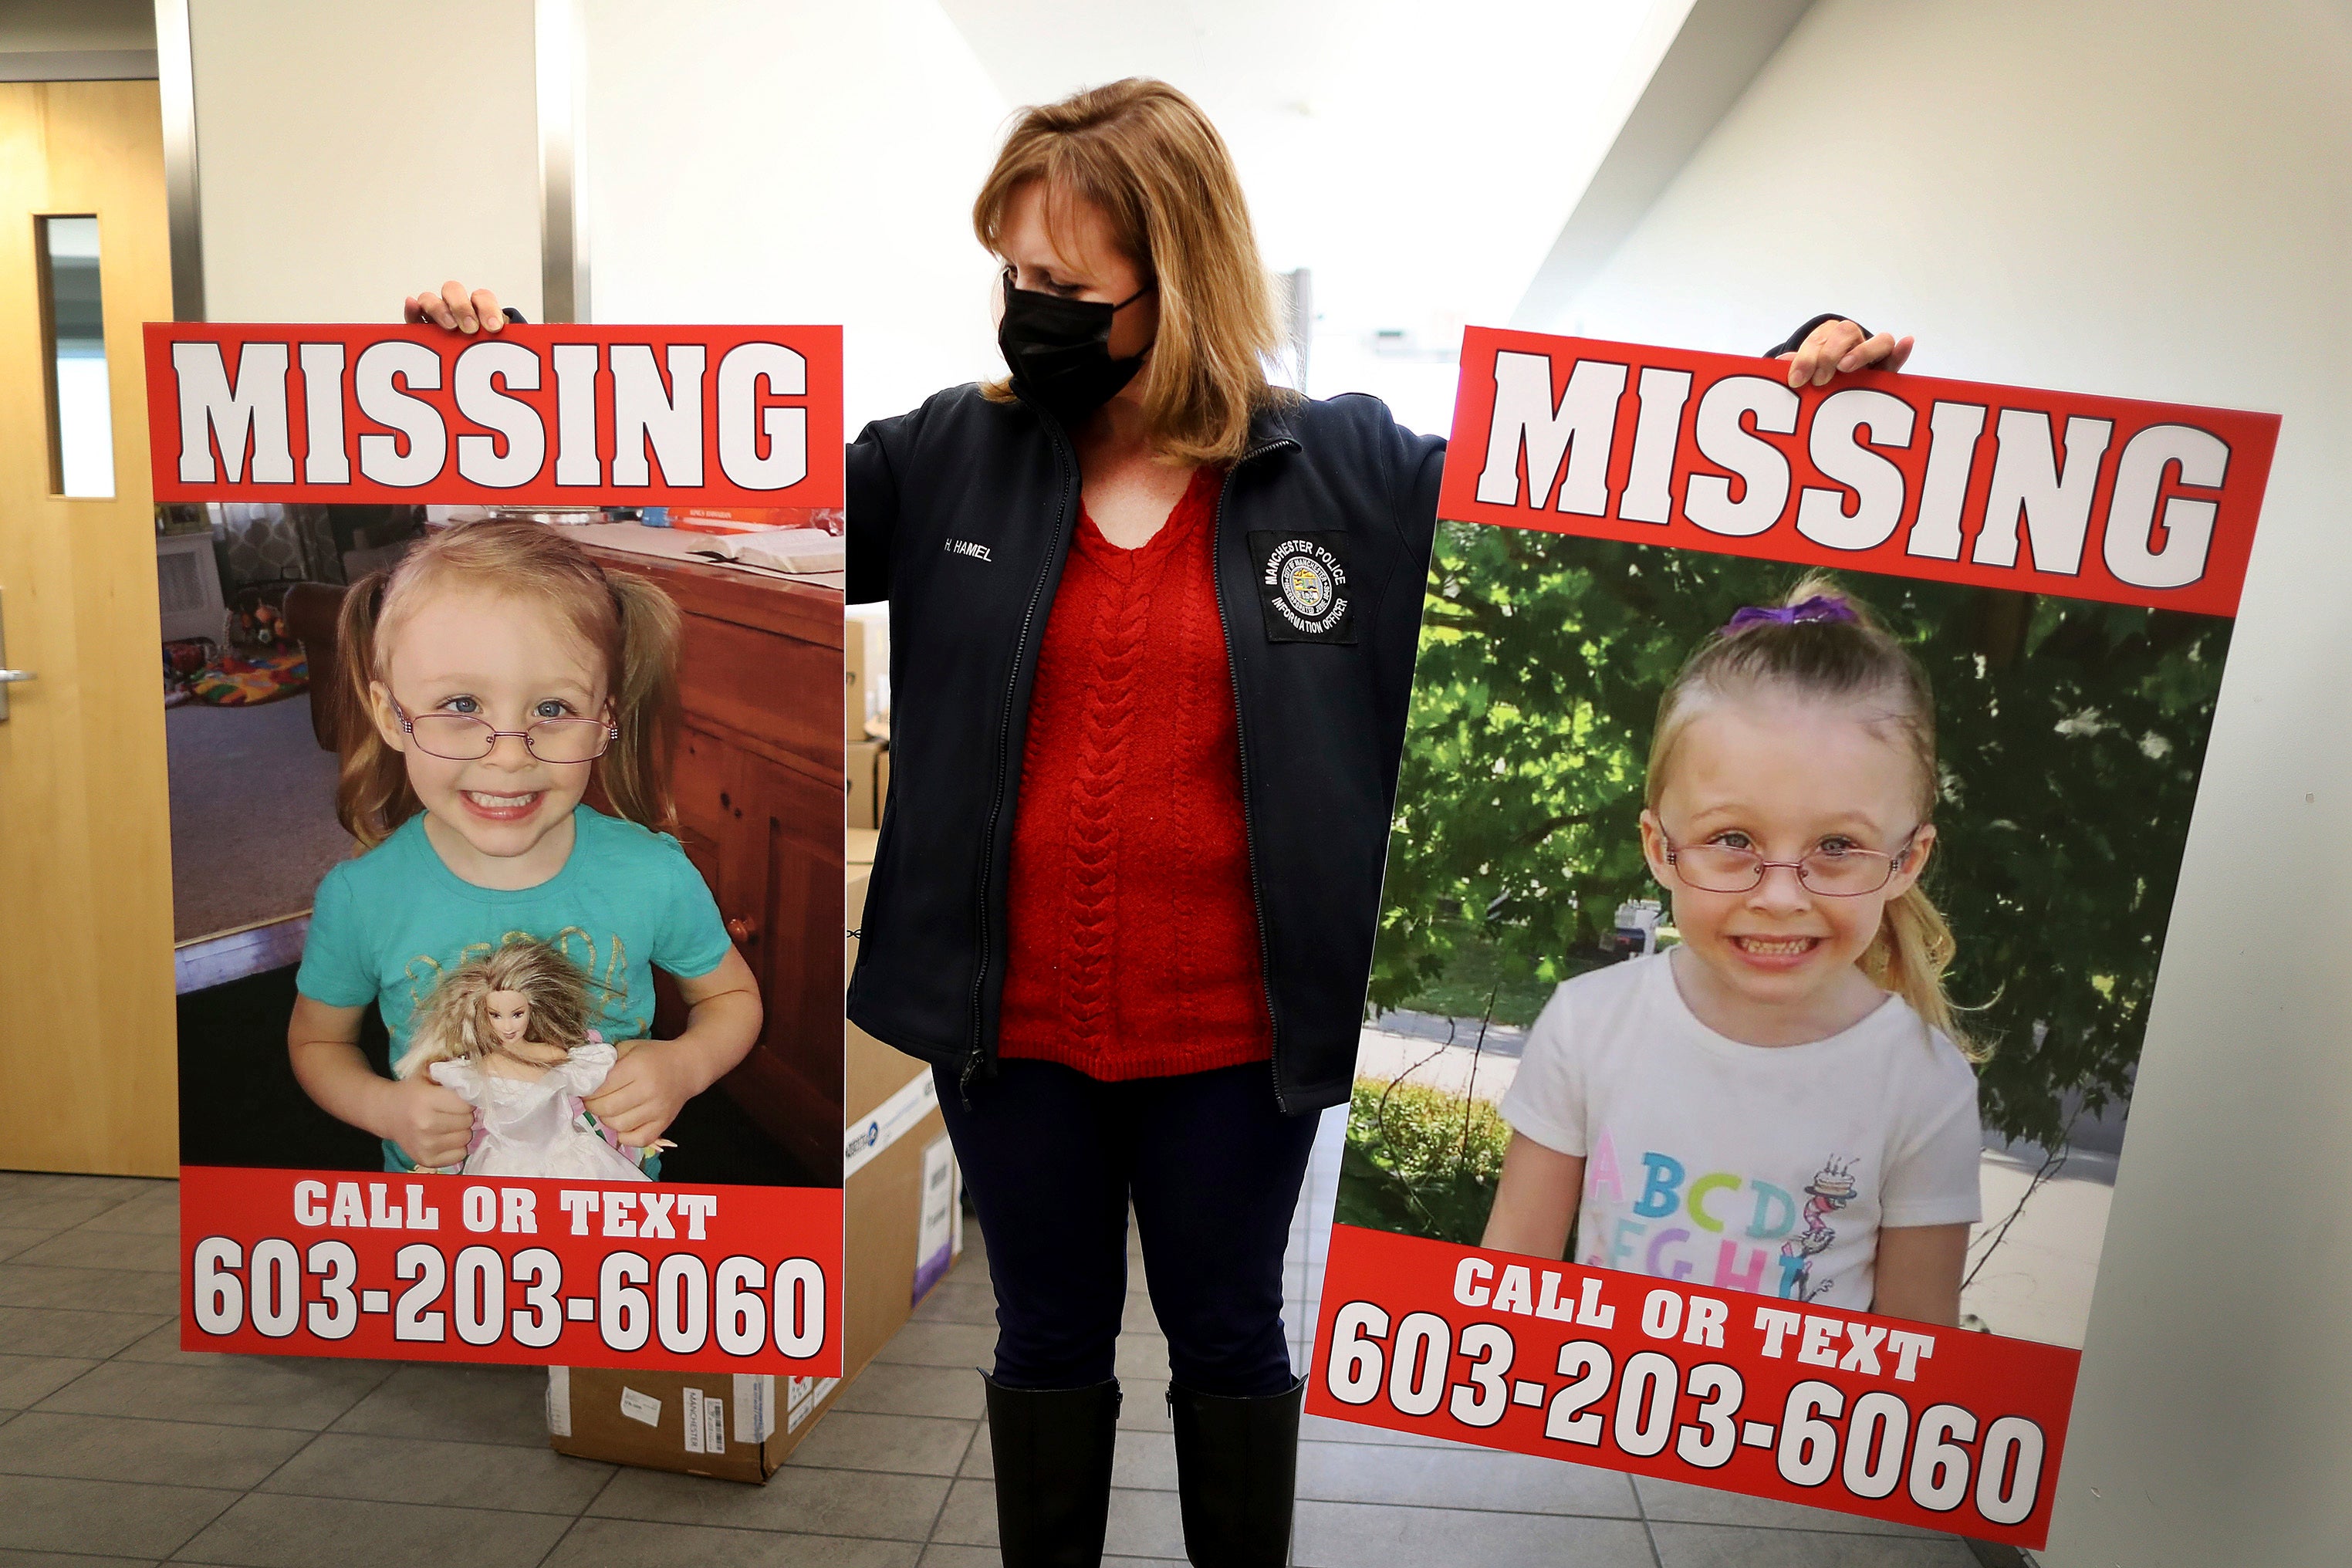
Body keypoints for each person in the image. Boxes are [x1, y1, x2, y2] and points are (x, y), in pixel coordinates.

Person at [406, 76, 1910, 1568]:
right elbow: (700, 489)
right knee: (1047, 1335)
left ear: (1172, 276)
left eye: (1063, 282)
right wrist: (528, 386)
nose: (1026, 307)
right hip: (1014, 1028)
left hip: (1236, 1040)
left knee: (1230, 1337)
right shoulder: (945, 456)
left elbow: (1591, 503)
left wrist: (1782, 388)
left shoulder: (1353, 470)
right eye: (1012, 273)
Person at [1480, 578, 1983, 1323]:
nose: (1780, 896)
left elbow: (1915, 1357)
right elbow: (1504, 1283)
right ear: (1660, 846)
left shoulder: (1923, 1085)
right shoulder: (1589, 1025)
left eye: (1837, 846)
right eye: (1733, 840)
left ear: (1906, 862)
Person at [286, 521, 762, 1175]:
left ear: (607, 719)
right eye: (460, 703)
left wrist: (684, 1066)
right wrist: (387, 1109)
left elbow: (731, 999)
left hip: (607, 1200)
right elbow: (317, 1041)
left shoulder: (653, 874)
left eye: (552, 710)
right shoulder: (362, 897)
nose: (509, 757)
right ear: (388, 715)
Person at [397, 937, 658, 1181]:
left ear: (532, 1009)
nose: (508, 1026)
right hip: (502, 1166)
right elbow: (465, 1123)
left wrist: (638, 1136)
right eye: (496, 1016)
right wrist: (435, 1164)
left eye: (517, 1014)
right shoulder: (478, 1069)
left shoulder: (557, 1056)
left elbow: (589, 1108)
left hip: (569, 1162)